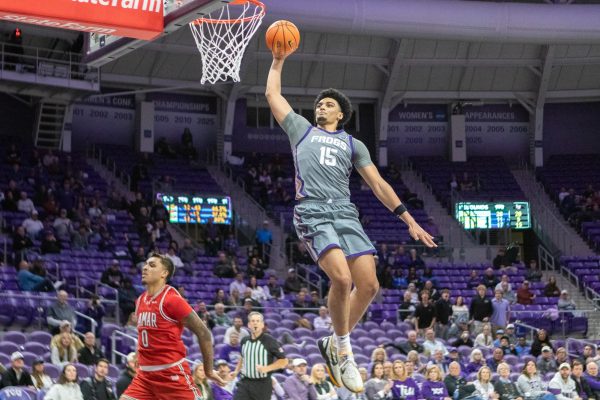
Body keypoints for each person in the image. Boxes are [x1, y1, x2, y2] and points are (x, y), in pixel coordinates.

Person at [266, 52, 436, 393]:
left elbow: (378, 185)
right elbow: (273, 95)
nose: (322, 107)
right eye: (320, 104)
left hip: (345, 213)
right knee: (341, 280)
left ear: (341, 114)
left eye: (329, 104)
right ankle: (343, 350)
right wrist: (277, 60)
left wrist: (409, 220)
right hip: (313, 210)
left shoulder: (352, 143)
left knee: (370, 286)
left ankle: (333, 342)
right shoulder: (300, 129)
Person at [121, 252, 224, 400]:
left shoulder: (172, 300)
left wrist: (208, 371)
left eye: (152, 265)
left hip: (171, 374)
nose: (145, 268)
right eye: (145, 264)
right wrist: (139, 352)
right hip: (145, 377)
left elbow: (204, 333)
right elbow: (145, 331)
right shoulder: (140, 300)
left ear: (164, 273)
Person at [232, 312, 289, 400]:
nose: (255, 323)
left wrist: (267, 368)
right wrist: (236, 371)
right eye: (253, 321)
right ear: (249, 325)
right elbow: (242, 357)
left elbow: (284, 361)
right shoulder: (244, 340)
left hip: (262, 384)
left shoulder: (270, 340)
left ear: (262, 325)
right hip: (245, 382)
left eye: (258, 321)